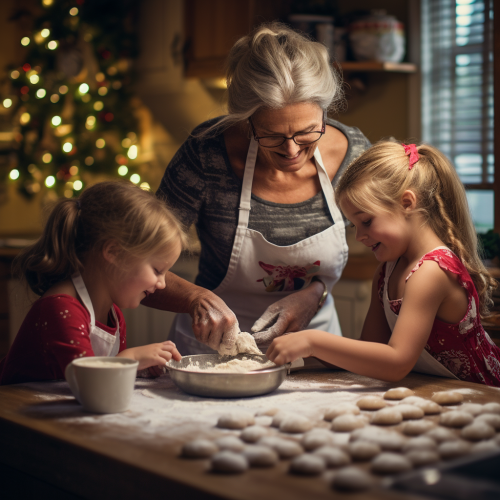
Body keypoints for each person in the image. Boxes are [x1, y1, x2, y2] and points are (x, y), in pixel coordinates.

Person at [145, 22, 371, 355]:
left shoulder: (355, 156)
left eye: (308, 132)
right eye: (272, 135)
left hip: (314, 351)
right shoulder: (206, 154)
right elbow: (139, 264)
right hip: (209, 350)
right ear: (246, 120)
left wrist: (316, 293)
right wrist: (196, 298)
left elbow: (398, 248)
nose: (292, 150)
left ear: (325, 112)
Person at [266, 141, 500, 386]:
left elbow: (396, 363)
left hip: (481, 395)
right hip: (439, 390)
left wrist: (313, 341)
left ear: (407, 203)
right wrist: (304, 350)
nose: (359, 236)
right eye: (354, 226)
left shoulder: (432, 272)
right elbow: (371, 352)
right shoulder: (387, 271)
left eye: (366, 221)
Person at [0, 181, 188, 385]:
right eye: (157, 271)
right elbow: (88, 381)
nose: (162, 284)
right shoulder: (60, 307)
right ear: (113, 252)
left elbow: (106, 378)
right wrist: (132, 358)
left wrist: (139, 369)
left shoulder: (114, 316)